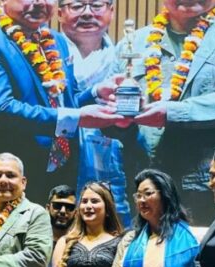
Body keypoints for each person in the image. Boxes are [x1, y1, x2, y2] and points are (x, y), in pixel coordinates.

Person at [105, 0, 215, 224]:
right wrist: (117, 121)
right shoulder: (134, 42)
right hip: (151, 189)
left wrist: (174, 112)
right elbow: (116, 118)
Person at [0, 0, 124, 203]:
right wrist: (76, 118)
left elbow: (64, 101)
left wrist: (95, 92)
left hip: (61, 170)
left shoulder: (56, 40)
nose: (39, 2)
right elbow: (0, 109)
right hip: (12, 175)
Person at [58, 0, 133, 227]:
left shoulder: (125, 58)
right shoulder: (46, 53)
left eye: (97, 5)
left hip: (115, 162)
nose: (87, 13)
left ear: (111, 11)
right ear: (59, 13)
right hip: (59, 162)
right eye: (77, 6)